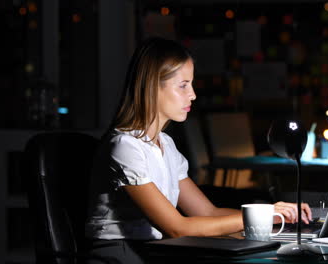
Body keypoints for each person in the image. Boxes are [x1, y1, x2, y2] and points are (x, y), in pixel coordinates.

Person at [84, 37, 312, 264]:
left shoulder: (165, 144)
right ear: (153, 86)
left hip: (154, 249)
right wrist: (262, 215)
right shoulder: (125, 146)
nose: (192, 94)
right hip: (119, 254)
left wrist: (272, 214)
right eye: (183, 85)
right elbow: (177, 227)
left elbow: (207, 213)